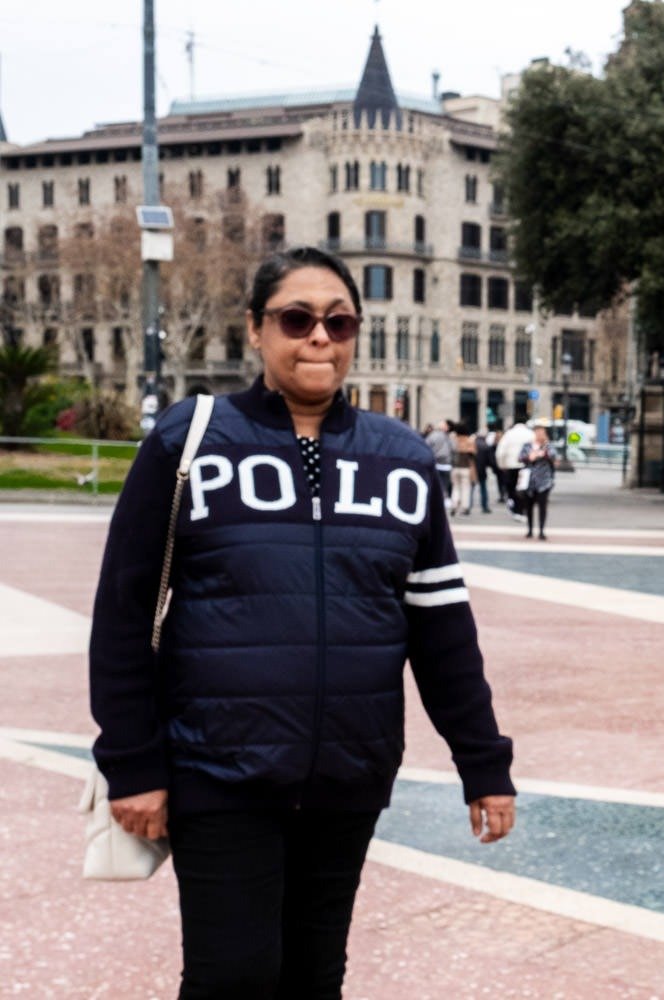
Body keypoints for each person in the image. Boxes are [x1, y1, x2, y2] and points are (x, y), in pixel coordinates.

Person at [89, 246, 516, 999]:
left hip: (348, 774)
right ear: (257, 330)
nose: (319, 337)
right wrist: (133, 763)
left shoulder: (401, 459)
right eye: (297, 319)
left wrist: (483, 764)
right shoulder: (191, 440)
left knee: (315, 978)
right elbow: (123, 612)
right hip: (218, 769)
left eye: (339, 322)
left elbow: (442, 629)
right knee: (234, 976)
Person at [518, 425, 556, 540]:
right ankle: (529, 529)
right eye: (538, 432)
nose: (540, 434)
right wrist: (530, 457)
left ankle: (541, 530)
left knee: (542, 506)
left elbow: (554, 456)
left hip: (544, 481)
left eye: (542, 432)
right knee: (528, 506)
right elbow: (520, 457)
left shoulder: (548, 446)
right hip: (529, 481)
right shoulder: (527, 445)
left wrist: (543, 453)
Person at [497, 419, 534, 521]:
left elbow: (500, 451)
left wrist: (501, 464)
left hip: (511, 465)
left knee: (512, 488)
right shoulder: (530, 434)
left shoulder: (509, 434)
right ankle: (523, 509)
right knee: (523, 488)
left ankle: (516, 509)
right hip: (525, 465)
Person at [424, 418, 454, 509]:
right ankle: (445, 499)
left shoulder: (432, 436)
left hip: (436, 463)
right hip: (446, 464)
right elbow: (453, 448)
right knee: (446, 484)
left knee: (436, 483)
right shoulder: (448, 437)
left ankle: (437, 500)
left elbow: (426, 447)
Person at [450, 420, 476, 516]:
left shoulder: (453, 439)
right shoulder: (469, 440)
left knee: (455, 487)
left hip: (455, 467)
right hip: (466, 467)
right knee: (465, 488)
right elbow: (473, 454)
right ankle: (465, 507)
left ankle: (454, 505)